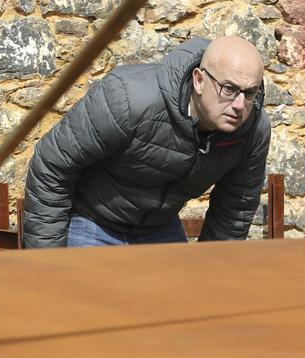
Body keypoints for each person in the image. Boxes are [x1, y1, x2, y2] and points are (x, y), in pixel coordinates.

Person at [23, 36, 271, 248]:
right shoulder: (128, 100)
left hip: (159, 228)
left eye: (250, 93)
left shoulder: (252, 131)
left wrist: (206, 276)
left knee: (184, 303)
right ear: (199, 80)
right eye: (228, 89)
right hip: (92, 220)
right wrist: (48, 261)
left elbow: (235, 207)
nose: (240, 105)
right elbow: (52, 164)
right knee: (81, 304)